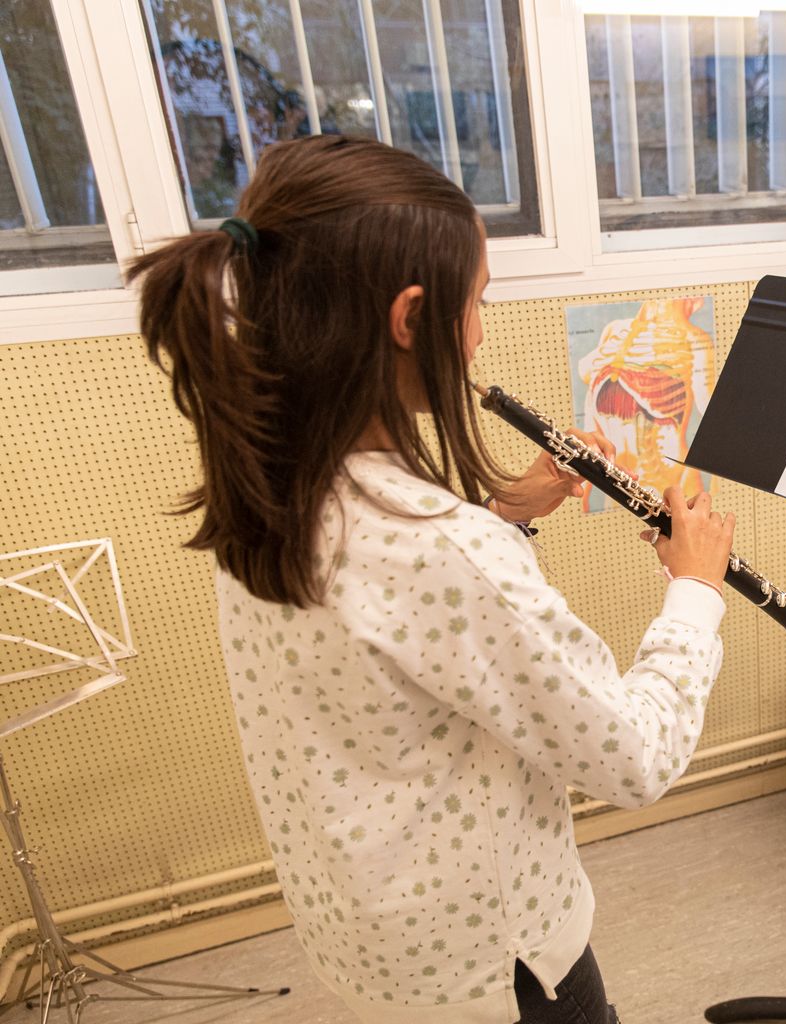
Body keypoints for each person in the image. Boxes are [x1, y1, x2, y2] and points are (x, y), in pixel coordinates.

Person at [129, 135, 735, 1023]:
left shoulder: (264, 486)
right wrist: (696, 591)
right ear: (410, 317)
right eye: (479, 299)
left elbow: (396, 638)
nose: (481, 330)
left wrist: (506, 512)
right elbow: (634, 757)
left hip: (374, 940)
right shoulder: (442, 550)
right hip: (500, 964)